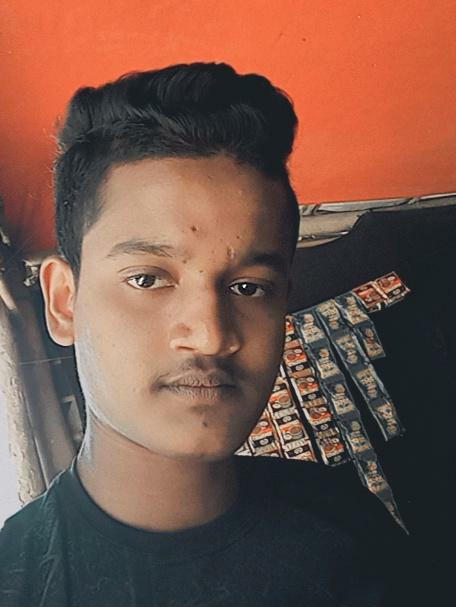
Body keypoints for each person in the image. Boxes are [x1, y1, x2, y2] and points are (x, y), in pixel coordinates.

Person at [0, 62, 408, 606]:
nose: (212, 336)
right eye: (148, 279)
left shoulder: (345, 522)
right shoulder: (18, 583)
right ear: (64, 302)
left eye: (248, 287)